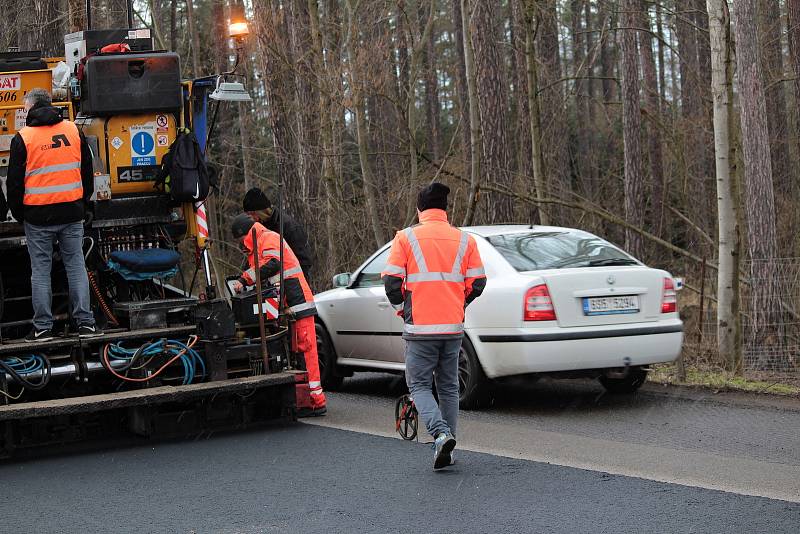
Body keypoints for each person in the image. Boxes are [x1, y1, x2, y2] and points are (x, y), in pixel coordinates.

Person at [381, 182, 486, 470]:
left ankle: (440, 434)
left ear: (420, 210)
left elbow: (391, 281)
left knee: (418, 386)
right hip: (452, 327)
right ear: (445, 209)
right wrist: (459, 305)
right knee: (449, 387)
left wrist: (405, 310)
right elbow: (478, 282)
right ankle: (448, 448)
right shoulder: (465, 240)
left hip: (420, 329)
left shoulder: (405, 238)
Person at [6, 88, 101, 342]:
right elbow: (86, 171)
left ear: (31, 108)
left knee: (40, 270)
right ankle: (86, 323)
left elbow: (14, 183)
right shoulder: (72, 130)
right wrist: (83, 203)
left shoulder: (23, 138)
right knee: (76, 266)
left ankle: (43, 328)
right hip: (71, 212)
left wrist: (18, 213)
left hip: (37, 217)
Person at [230, 213, 326, 416]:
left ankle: (316, 400)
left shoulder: (268, 238)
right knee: (298, 352)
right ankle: (305, 399)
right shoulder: (259, 244)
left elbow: (273, 264)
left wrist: (245, 279)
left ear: (244, 234)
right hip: (291, 304)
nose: (240, 244)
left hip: (298, 302)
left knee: (306, 351)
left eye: (239, 239)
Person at [242, 188, 313, 280]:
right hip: (271, 287)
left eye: (251, 214)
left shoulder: (289, 227)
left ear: (260, 211)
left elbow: (304, 261)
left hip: (293, 284)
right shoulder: (259, 230)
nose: (251, 218)